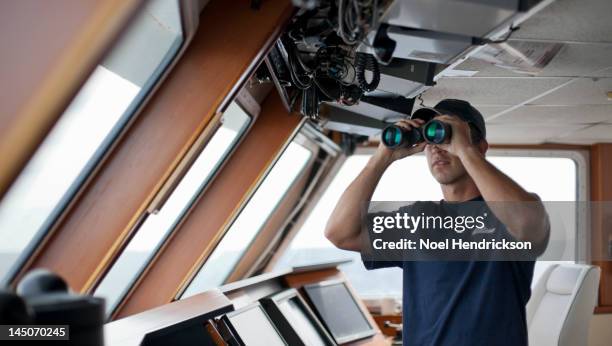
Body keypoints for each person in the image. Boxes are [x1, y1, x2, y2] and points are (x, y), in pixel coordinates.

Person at [324, 99, 550, 346]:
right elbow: (340, 233)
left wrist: (465, 151)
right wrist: (381, 159)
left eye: (446, 136)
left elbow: (527, 223)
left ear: (480, 147)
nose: (437, 148)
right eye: (430, 138)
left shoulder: (505, 218)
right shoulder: (417, 219)